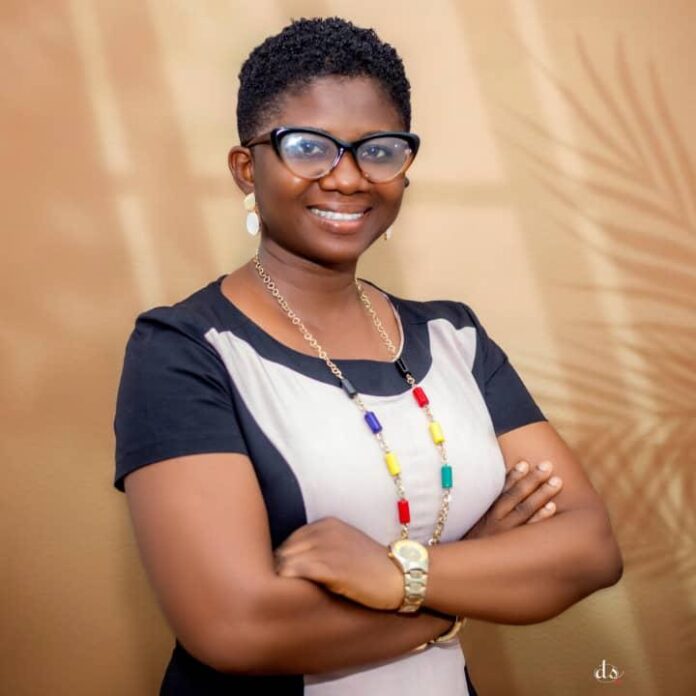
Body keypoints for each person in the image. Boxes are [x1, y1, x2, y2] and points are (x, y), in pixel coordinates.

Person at [113, 17, 623, 695]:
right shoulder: (186, 350)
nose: (349, 178)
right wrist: (470, 572)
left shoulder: (454, 337)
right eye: (308, 148)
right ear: (246, 168)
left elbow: (589, 548)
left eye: (378, 151)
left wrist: (396, 574)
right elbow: (235, 627)